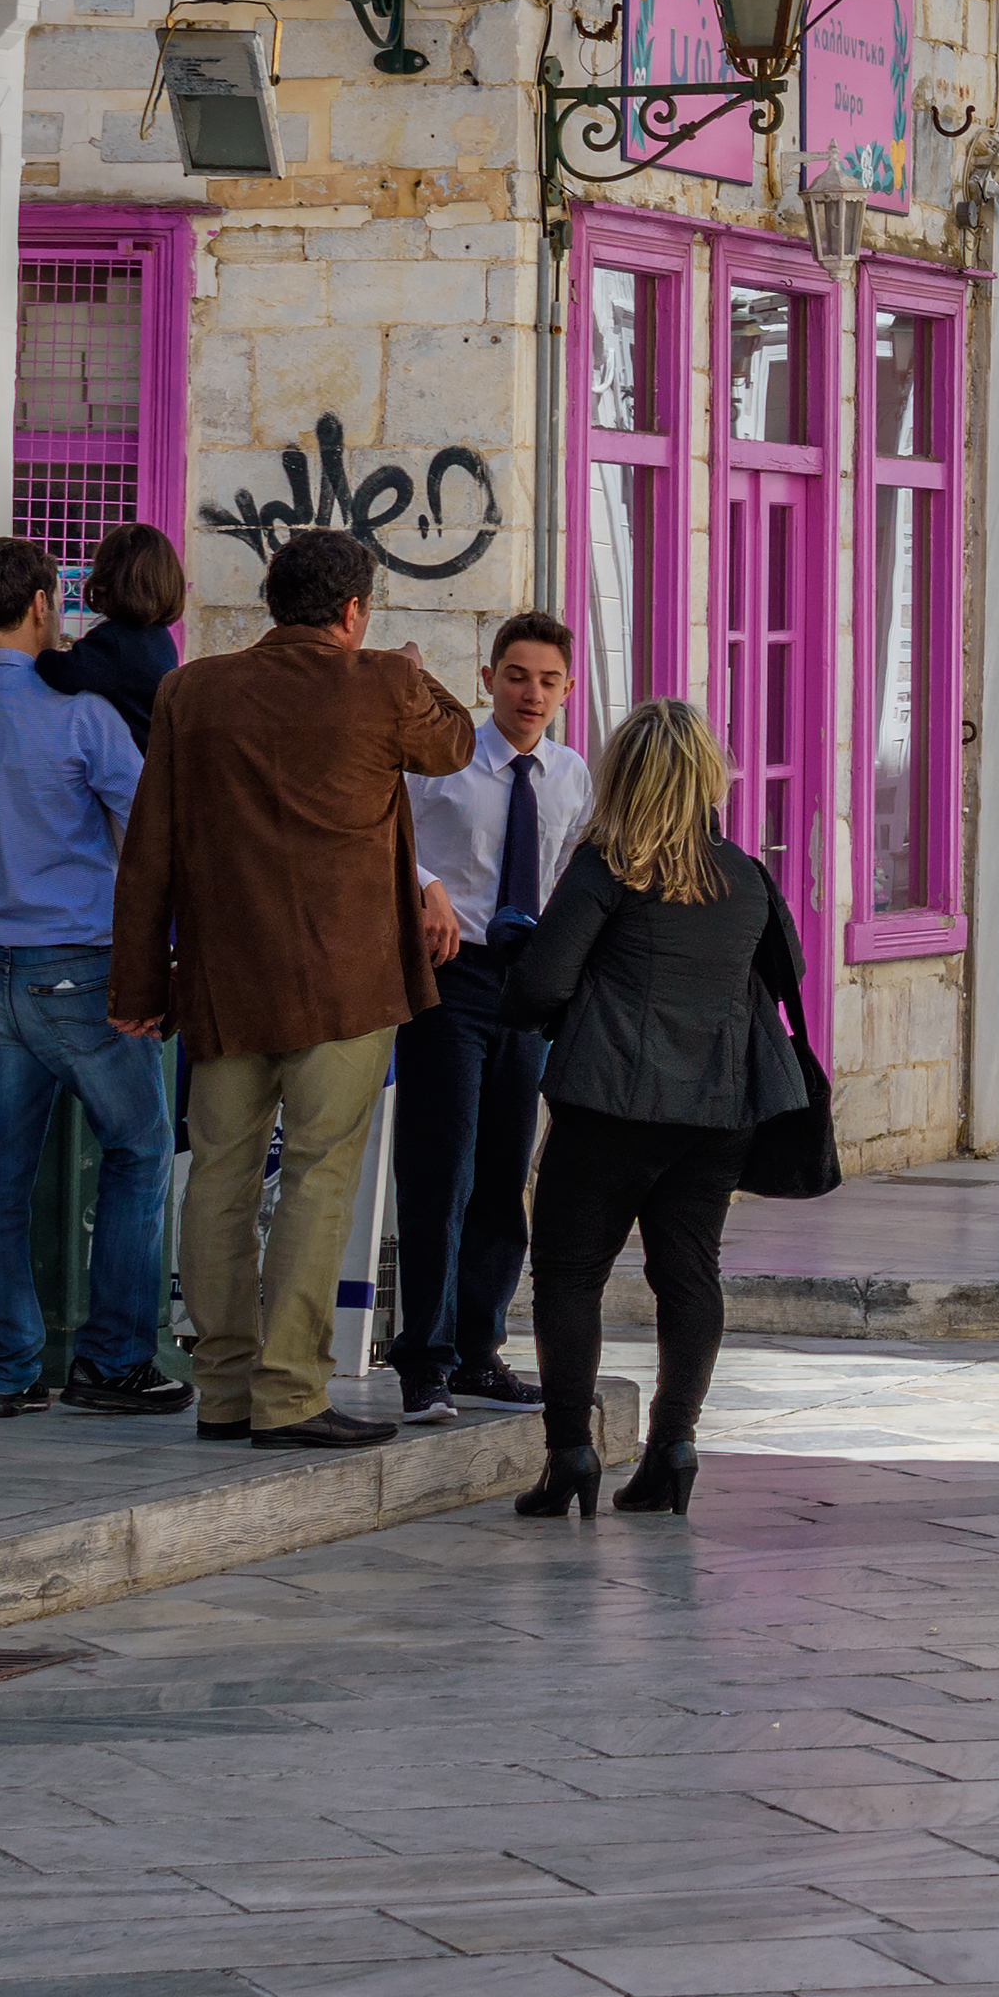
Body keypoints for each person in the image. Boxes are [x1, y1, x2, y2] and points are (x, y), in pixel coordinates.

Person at [108, 529, 477, 1449]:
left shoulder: (191, 689)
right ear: (353, 612)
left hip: (227, 982)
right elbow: (457, 744)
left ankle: (224, 1390)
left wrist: (138, 980)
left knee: (219, 1180)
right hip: (346, 988)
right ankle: (290, 1392)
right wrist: (414, 669)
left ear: (273, 602)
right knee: (318, 1179)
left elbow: (147, 847)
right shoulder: (381, 684)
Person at [0, 536, 189, 1424]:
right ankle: (113, 1361)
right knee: (139, 1151)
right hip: (83, 967)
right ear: (35, 603)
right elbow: (153, 832)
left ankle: (7, 1368)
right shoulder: (83, 715)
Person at [496, 698, 809, 1521]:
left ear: (623, 774)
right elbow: (790, 967)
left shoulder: (608, 865)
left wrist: (517, 946)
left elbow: (538, 986)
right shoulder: (743, 873)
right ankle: (674, 1445)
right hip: (715, 1110)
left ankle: (570, 1454)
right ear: (706, 776)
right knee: (688, 1271)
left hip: (608, 1104)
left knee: (569, 1272)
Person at [386, 610, 586, 1424]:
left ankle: (480, 1348)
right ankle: (423, 1360)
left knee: (507, 1170)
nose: (529, 693)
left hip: (527, 984)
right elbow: (389, 834)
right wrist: (427, 886)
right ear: (488, 679)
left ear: (567, 689)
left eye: (546, 680)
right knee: (443, 1168)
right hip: (452, 973)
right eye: (515, 675)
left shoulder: (572, 774)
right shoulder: (445, 760)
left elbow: (568, 872)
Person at [36, 522, 185, 746]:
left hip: (132, 762)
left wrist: (41, 651)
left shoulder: (114, 642)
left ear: (107, 580)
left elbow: (62, 672)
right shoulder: (159, 639)